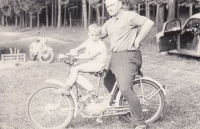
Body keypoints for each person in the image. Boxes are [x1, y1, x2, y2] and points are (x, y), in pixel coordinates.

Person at [101, 0, 154, 129]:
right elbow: (96, 36)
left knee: (125, 88)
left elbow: (149, 23)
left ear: (120, 4)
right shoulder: (110, 22)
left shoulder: (129, 16)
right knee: (108, 81)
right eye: (107, 6)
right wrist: (77, 50)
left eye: (112, 5)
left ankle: (141, 123)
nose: (109, 8)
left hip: (128, 56)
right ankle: (123, 107)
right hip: (116, 57)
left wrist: (137, 40)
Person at [57, 23, 107, 95]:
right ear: (88, 35)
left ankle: (66, 89)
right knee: (75, 69)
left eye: (97, 35)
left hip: (98, 65)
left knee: (76, 69)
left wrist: (77, 56)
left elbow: (90, 57)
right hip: (92, 63)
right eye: (92, 35)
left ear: (100, 35)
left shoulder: (100, 44)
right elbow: (86, 54)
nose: (94, 37)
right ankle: (89, 90)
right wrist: (75, 55)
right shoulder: (90, 42)